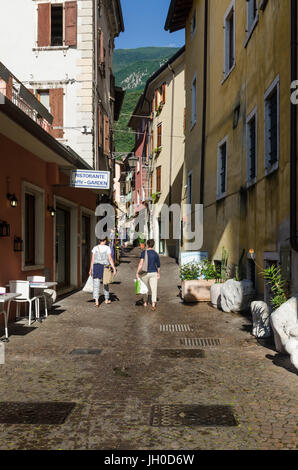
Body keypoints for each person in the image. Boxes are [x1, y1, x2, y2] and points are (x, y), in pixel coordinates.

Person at [89, 237, 117, 308]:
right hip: (105, 267)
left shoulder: (95, 248)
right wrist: (114, 268)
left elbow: (92, 260)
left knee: (96, 284)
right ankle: (106, 299)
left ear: (99, 240)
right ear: (104, 241)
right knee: (106, 283)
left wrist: (90, 269)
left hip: (96, 266)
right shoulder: (107, 248)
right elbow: (110, 259)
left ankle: (97, 301)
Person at [136, 239, 160, 311]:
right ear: (153, 245)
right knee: (154, 289)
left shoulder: (144, 252)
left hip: (145, 273)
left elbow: (141, 263)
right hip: (154, 273)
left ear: (147, 244)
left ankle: (145, 302)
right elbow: (158, 265)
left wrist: (137, 273)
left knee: (145, 288)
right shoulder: (155, 254)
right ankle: (153, 304)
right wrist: (158, 273)